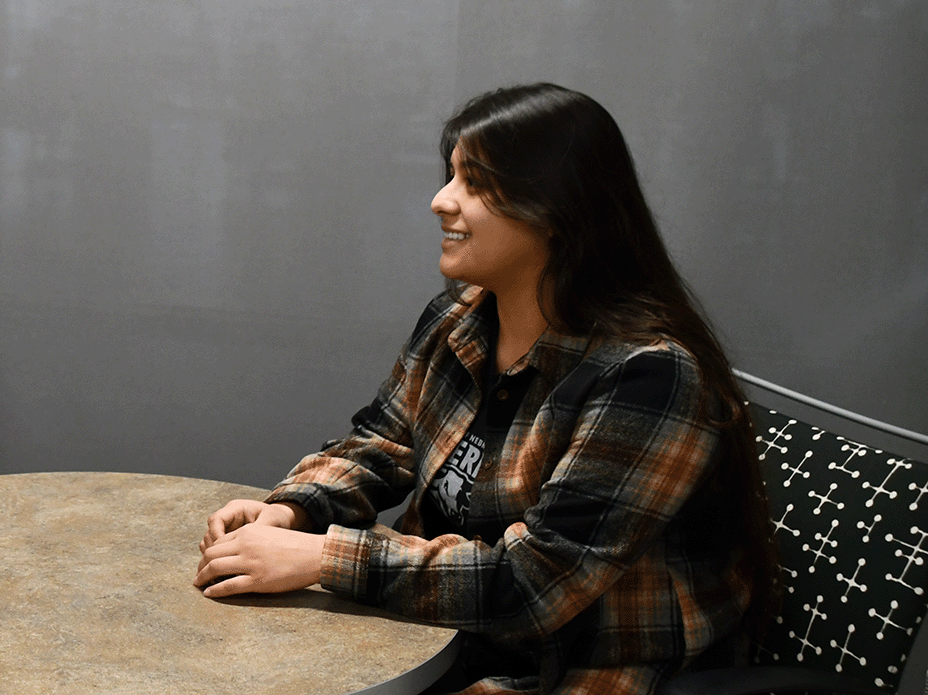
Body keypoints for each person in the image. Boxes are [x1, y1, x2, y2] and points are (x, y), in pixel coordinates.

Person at [194, 83, 777, 694]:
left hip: (580, 672)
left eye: (473, 182)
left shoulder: (649, 376)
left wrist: (321, 557)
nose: (440, 200)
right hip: (453, 641)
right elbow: (380, 444)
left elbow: (536, 584)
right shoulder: (458, 320)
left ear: (555, 206)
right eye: (450, 175)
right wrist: (293, 509)